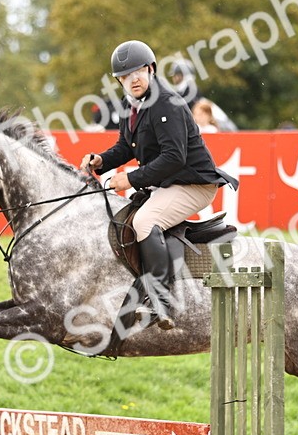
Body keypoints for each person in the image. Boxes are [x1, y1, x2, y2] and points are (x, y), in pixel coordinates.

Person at [80, 40, 238, 329]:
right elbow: (126, 147)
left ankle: (161, 302)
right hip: (171, 182)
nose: (133, 79)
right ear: (119, 81)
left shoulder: (167, 102)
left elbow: (174, 158)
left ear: (151, 69)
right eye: (126, 76)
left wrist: (129, 179)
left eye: (138, 72)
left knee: (144, 222)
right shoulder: (132, 104)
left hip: (194, 184)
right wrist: (102, 160)